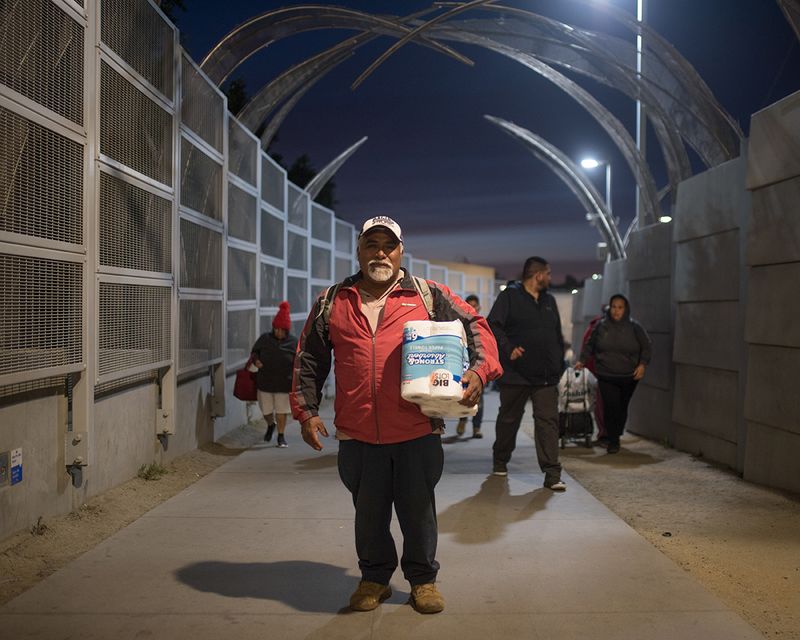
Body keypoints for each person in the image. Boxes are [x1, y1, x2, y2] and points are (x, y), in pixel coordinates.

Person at [291, 215, 501, 614]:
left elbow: (476, 324)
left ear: (402, 251)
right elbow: (309, 359)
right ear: (359, 250)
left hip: (416, 429)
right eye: (372, 245)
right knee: (368, 515)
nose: (381, 253)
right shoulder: (334, 301)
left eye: (389, 245)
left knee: (418, 511)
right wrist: (306, 412)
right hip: (357, 433)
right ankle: (374, 579)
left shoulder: (427, 294)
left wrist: (477, 370)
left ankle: (423, 581)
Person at [487, 256, 567, 490]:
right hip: (516, 374)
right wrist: (508, 349)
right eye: (548, 273)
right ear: (537, 274)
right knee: (509, 420)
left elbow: (556, 335)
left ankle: (552, 474)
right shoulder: (509, 297)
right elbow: (493, 325)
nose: (550, 278)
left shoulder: (549, 301)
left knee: (548, 423)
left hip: (545, 376)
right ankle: (500, 459)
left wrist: (558, 363)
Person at [576, 294, 651, 454]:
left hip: (628, 376)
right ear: (610, 308)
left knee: (622, 407)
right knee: (610, 407)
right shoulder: (600, 326)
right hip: (606, 374)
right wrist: (581, 360)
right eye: (614, 307)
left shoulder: (635, 327)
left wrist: (643, 364)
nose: (616, 311)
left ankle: (616, 433)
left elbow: (646, 347)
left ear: (626, 309)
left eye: (620, 307)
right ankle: (613, 440)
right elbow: (590, 345)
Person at [251, 301, 298, 448]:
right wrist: (257, 360)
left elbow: (299, 360)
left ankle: (281, 435)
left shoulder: (293, 342)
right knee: (265, 410)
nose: (278, 332)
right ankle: (270, 424)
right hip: (265, 382)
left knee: (282, 411)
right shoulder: (265, 339)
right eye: (276, 329)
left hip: (284, 383)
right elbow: (254, 352)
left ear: (286, 330)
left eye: (281, 330)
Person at [456, 294, 485, 439]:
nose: (472, 308)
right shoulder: (460, 324)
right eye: (469, 305)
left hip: (480, 366)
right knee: (464, 393)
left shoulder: (483, 324)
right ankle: (462, 421)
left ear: (479, 307)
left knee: (480, 397)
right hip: (464, 365)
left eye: (475, 305)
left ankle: (476, 428)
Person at [580, 306, 608, 446]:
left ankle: (605, 434)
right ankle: (604, 434)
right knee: (601, 404)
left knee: (601, 405)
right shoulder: (597, 328)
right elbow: (587, 349)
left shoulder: (593, 327)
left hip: (601, 371)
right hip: (599, 372)